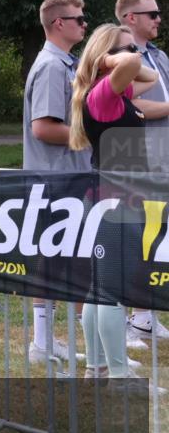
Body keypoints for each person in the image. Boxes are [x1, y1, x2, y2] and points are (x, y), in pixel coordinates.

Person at [68, 23, 169, 384]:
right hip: (116, 202)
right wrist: (112, 57)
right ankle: (120, 375)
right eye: (125, 48)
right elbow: (131, 64)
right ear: (107, 57)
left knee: (100, 290)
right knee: (112, 291)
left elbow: (151, 75)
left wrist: (118, 56)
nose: (134, 53)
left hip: (114, 199)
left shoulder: (116, 95)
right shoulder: (103, 96)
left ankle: (96, 368)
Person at [22, 0, 91, 365]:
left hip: (69, 177)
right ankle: (42, 342)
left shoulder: (67, 63)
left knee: (72, 260)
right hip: (56, 180)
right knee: (52, 260)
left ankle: (55, 341)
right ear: (58, 24)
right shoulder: (51, 66)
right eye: (79, 19)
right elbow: (43, 128)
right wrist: (91, 134)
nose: (84, 24)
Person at [115, 0, 169, 344]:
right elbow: (131, 107)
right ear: (130, 18)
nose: (158, 19)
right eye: (151, 14)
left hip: (162, 158)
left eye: (159, 13)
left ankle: (146, 315)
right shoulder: (120, 58)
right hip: (135, 158)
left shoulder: (160, 56)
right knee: (132, 236)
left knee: (157, 236)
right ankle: (126, 316)